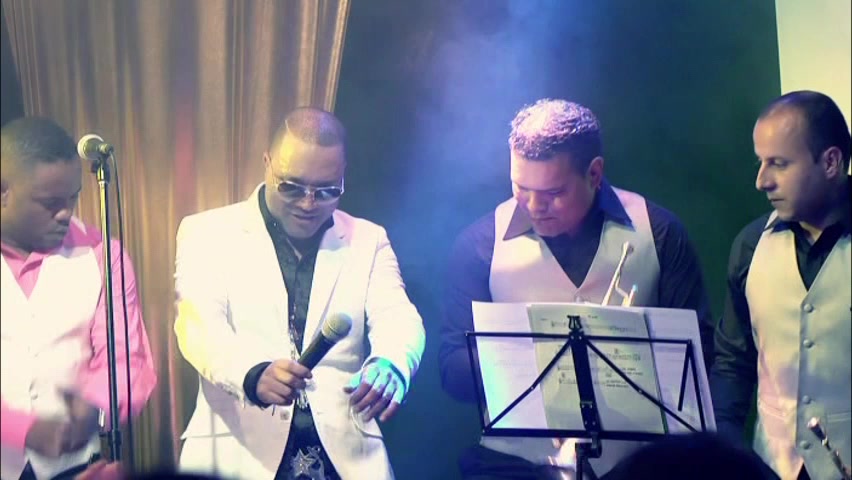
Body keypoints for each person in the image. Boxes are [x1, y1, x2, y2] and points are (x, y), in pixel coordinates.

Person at [439, 99, 715, 479]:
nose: (534, 206)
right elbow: (451, 370)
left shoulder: (661, 232)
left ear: (594, 173)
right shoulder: (478, 244)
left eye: (553, 192)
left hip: (638, 468)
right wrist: (528, 359)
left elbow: (700, 356)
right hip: (515, 467)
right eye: (521, 187)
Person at [174, 107, 426, 480]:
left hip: (345, 460)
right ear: (267, 164)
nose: (308, 204)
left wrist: (391, 364)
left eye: (327, 191)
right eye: (291, 187)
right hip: (238, 455)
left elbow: (399, 317)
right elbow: (198, 328)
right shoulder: (207, 233)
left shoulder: (368, 239)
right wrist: (251, 374)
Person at [0, 117, 157, 479]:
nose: (66, 213)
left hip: (71, 467)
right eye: (50, 203)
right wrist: (20, 429)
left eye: (73, 198)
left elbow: (127, 359)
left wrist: (97, 406)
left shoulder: (103, 254)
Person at [711, 90, 851, 480]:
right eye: (760, 162)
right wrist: (727, 451)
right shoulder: (749, 245)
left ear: (831, 162)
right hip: (771, 466)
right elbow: (732, 362)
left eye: (779, 164)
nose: (762, 181)